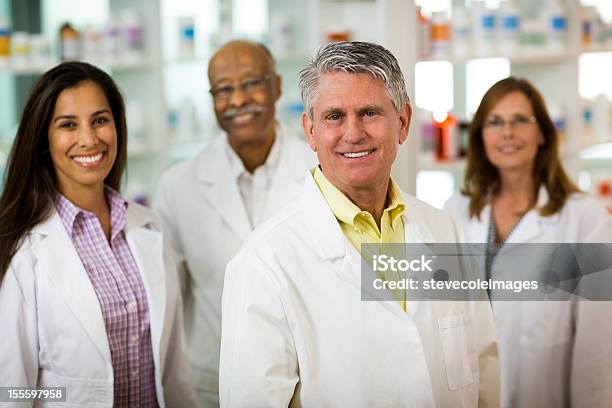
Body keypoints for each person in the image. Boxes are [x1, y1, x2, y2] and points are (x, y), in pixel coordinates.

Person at [219, 41, 500, 407]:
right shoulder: (263, 262)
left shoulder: (442, 230)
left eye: (369, 113)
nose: (353, 133)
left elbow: (484, 370)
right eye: (334, 116)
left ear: (402, 122)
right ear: (311, 131)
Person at [0, 61, 195, 408]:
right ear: (44, 139)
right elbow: (10, 392)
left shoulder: (148, 228)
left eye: (100, 120)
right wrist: (63, 397)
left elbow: (174, 371)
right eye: (68, 125)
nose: (89, 139)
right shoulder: (23, 249)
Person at [154, 40, 316, 406]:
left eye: (251, 83)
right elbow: (169, 302)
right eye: (223, 89)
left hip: (312, 381)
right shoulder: (178, 186)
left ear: (276, 86)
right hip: (212, 385)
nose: (238, 100)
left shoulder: (322, 171)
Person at [443, 77, 612, 407]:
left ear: (543, 133)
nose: (507, 132)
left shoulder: (586, 219)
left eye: (520, 120)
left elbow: (597, 348)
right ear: (479, 137)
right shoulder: (455, 210)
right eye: (494, 122)